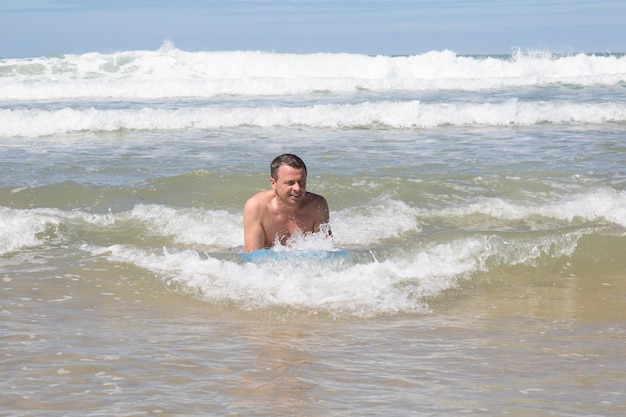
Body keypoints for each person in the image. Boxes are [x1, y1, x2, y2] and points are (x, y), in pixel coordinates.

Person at [243, 154, 331, 252]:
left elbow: (326, 251)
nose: (297, 188)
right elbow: (253, 257)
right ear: (273, 183)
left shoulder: (317, 205)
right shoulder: (256, 207)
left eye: (301, 182)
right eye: (290, 183)